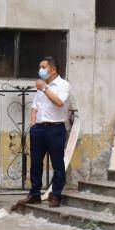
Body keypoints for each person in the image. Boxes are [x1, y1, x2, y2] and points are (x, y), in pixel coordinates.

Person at [25, 56, 72, 207]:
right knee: (35, 164)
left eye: (43, 67)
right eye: (40, 66)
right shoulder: (41, 86)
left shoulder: (64, 85)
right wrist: (33, 125)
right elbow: (34, 107)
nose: (41, 69)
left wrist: (45, 88)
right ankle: (34, 194)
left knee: (57, 163)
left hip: (55, 128)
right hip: (39, 129)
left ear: (53, 69)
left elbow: (59, 103)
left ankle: (56, 195)